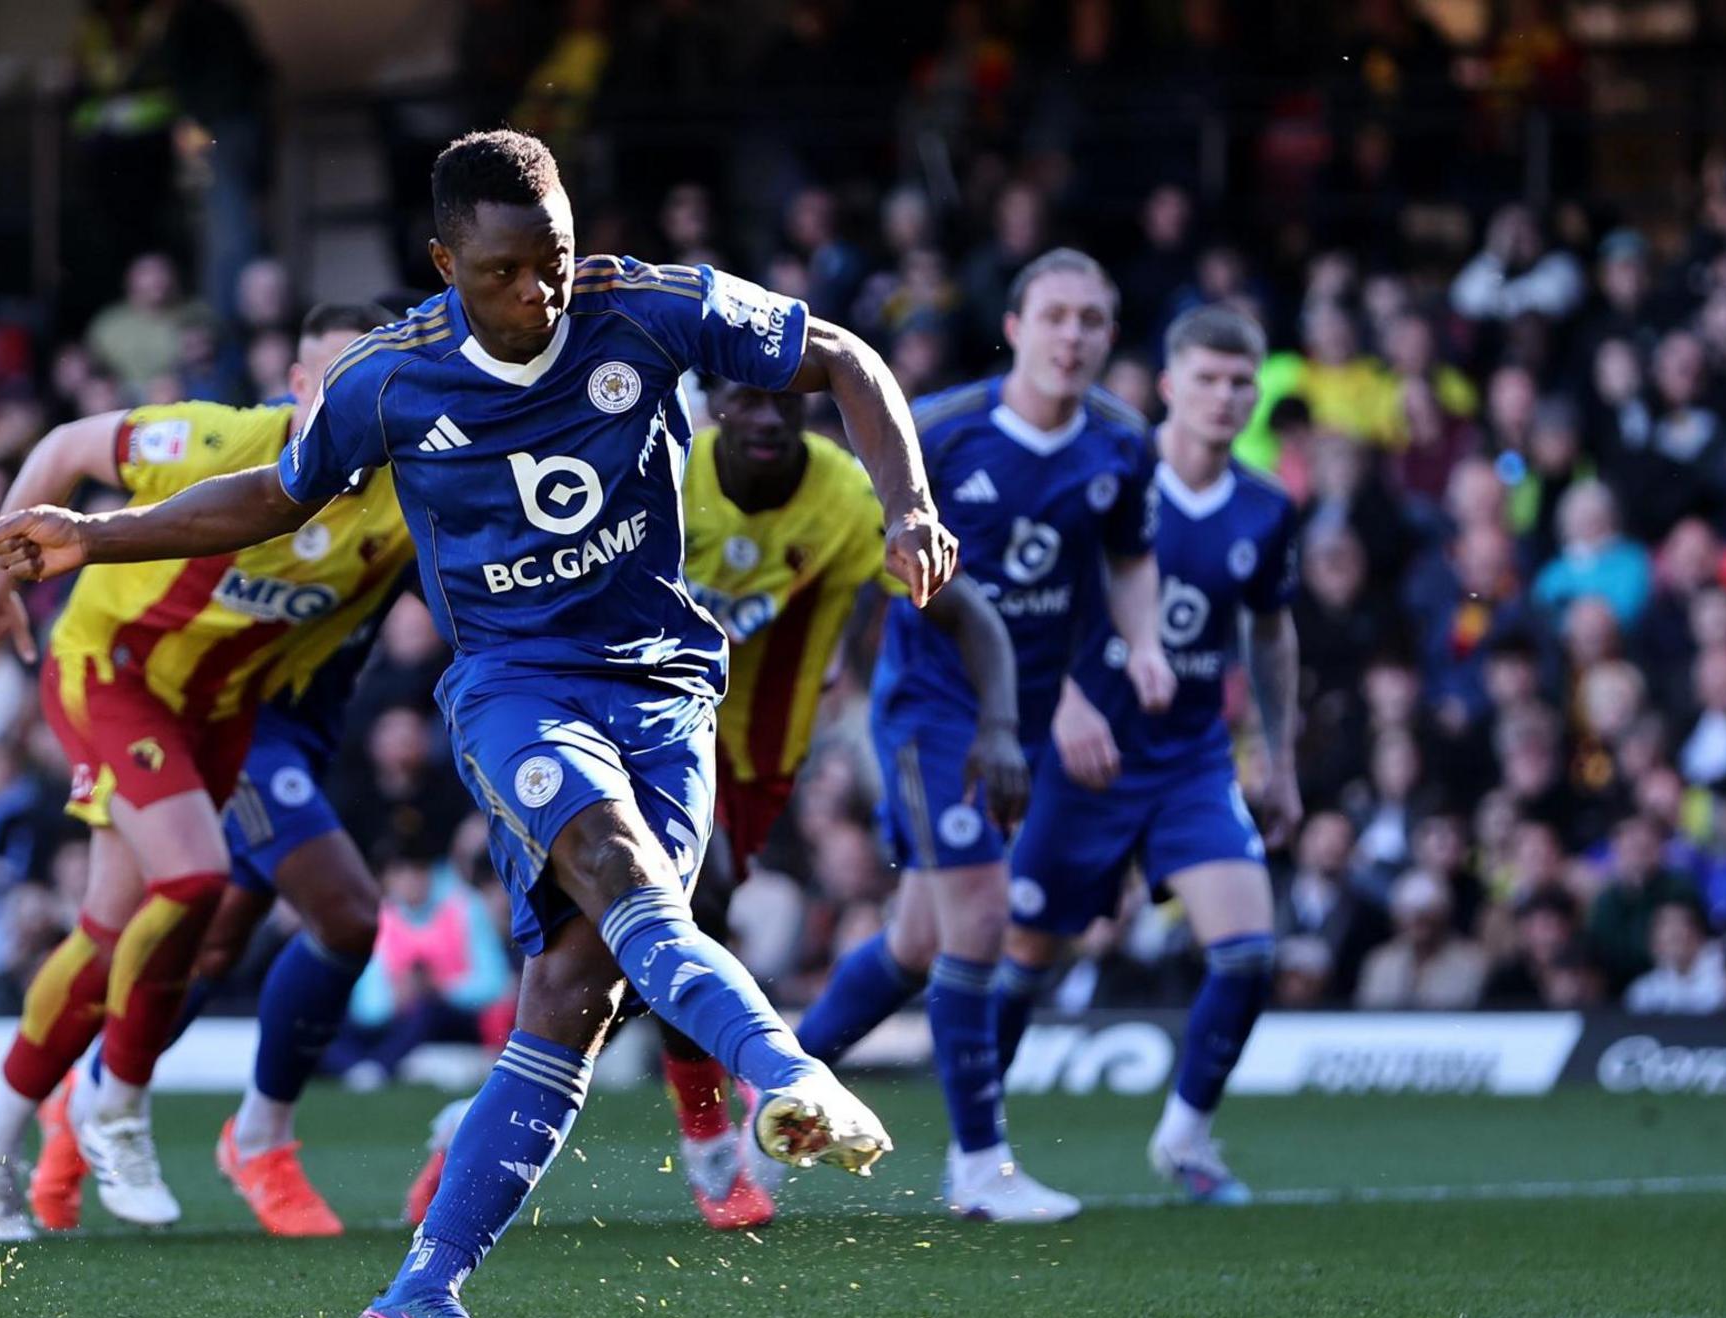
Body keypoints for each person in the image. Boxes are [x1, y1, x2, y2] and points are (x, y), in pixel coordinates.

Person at [0, 130, 951, 1318]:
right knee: (627, 875)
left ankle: (415, 1301)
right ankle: (785, 1070)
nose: (538, 291)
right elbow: (277, 494)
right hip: (516, 690)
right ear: (445, 262)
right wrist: (96, 538)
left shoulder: (643, 305)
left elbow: (847, 358)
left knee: (575, 993)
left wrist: (908, 502)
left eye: (554, 256)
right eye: (503, 270)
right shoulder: (391, 379)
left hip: (665, 690)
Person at [407, 376, 1026, 1232]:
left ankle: (468, 1131)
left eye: (789, 404)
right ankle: (710, 1145)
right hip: (635, 739)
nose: (769, 418)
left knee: (609, 978)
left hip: (755, 759)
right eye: (749, 400)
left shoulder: (844, 499)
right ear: (714, 406)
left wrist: (999, 723)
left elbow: (968, 613)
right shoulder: (660, 472)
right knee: (690, 903)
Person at [0, 302, 412, 1243]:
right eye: (321, 376)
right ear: (295, 383)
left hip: (225, 712)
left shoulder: (405, 497)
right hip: (111, 668)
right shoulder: (220, 438)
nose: (335, 397)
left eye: (363, 380)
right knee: (196, 876)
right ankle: (114, 1102)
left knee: (114, 931)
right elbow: (72, 442)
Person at [785, 247, 1172, 1225]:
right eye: (1056, 316)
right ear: (1017, 325)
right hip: (932, 705)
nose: (1072, 336)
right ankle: (980, 1167)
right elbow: (880, 551)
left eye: (1091, 320)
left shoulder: (1122, 443)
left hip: (1029, 713)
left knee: (918, 940)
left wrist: (1144, 641)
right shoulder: (946, 432)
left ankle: (779, 1082)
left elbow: (1128, 561)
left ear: (1108, 335)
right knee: (982, 911)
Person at [1004, 304, 1300, 1206]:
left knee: (1248, 950)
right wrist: (1063, 706)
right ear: (1170, 387)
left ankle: (1186, 1137)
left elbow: (1272, 632)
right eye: (1206, 379)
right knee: (1024, 959)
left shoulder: (1266, 506)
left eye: (1240, 382)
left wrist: (1278, 754)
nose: (1225, 397)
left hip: (1190, 762)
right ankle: (977, 1148)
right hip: (1086, 759)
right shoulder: (1111, 483)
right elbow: (1034, 599)